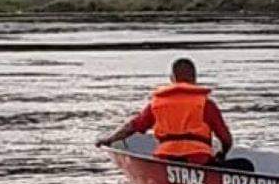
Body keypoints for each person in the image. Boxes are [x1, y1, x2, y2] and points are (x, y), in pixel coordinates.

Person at [96, 58, 251, 170]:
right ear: (194, 79)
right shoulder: (206, 104)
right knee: (245, 165)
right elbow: (226, 139)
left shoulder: (157, 104)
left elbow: (133, 126)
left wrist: (110, 139)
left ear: (172, 79)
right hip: (199, 162)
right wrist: (222, 153)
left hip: (165, 162)